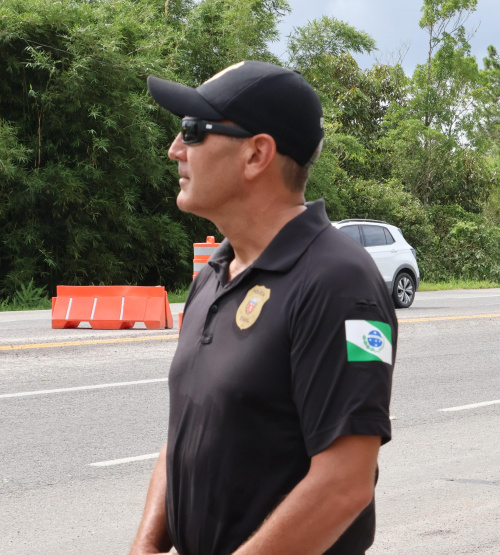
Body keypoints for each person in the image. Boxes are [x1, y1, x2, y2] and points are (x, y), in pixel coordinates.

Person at [129, 61, 397, 555]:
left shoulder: (339, 283)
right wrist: (145, 546)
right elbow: (185, 433)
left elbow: (345, 484)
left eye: (193, 131)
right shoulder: (214, 275)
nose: (175, 149)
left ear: (256, 154)